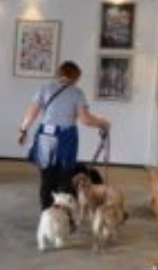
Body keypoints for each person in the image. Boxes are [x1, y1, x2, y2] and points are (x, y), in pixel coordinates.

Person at [16, 61, 110, 210]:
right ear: (75, 76)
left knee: (47, 176)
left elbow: (31, 113)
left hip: (45, 135)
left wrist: (23, 130)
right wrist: (103, 122)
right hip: (66, 137)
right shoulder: (76, 93)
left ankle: (46, 213)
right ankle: (64, 213)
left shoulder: (45, 88)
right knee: (65, 176)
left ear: (59, 73)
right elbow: (85, 119)